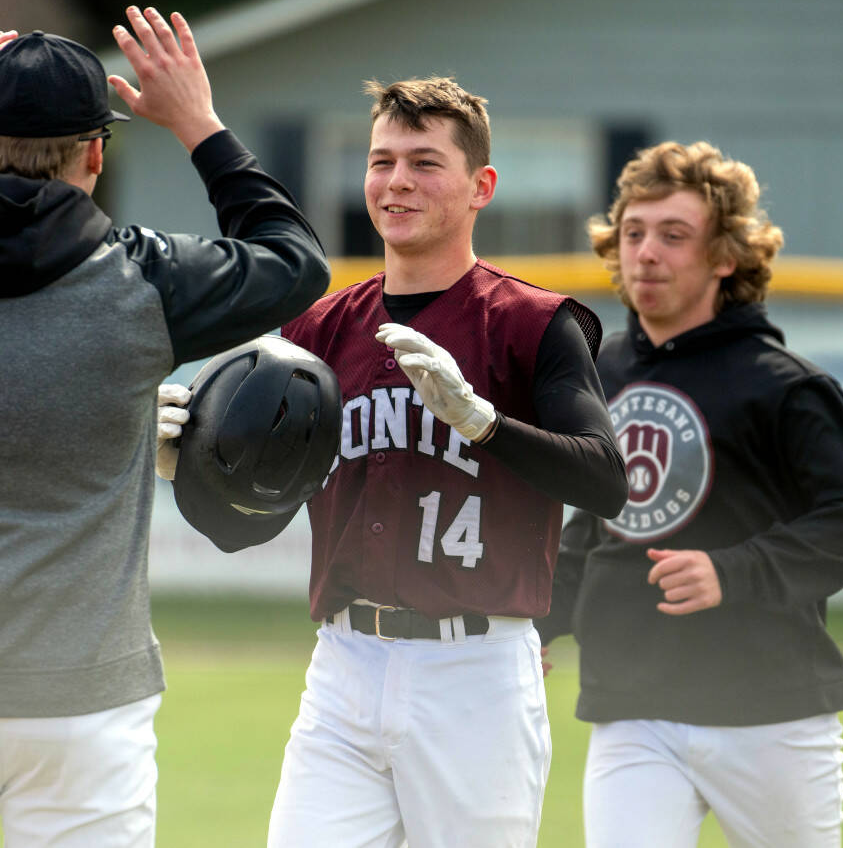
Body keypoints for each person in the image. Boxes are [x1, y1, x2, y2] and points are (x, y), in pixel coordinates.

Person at [0, 8, 327, 848]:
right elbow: (295, 261)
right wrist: (199, 125)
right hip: (86, 700)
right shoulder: (144, 279)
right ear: (96, 152)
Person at [161, 76, 628, 847]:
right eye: (382, 161)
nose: (397, 181)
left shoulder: (533, 323)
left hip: (475, 669)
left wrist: (482, 422)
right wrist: (189, 471)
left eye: (424, 162)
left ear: (482, 186)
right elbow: (244, 530)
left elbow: (605, 479)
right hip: (344, 664)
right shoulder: (316, 330)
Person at [533, 141, 843, 847]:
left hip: (772, 713)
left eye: (673, 235)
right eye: (633, 233)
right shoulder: (597, 373)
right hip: (630, 709)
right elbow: (594, 526)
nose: (646, 253)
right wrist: (534, 620)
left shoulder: (786, 386)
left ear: (725, 256)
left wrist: (733, 570)